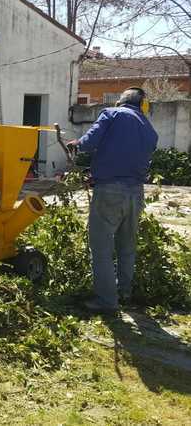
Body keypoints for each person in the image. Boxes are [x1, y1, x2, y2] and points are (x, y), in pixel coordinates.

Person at [67, 87, 158, 314]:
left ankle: (107, 302)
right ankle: (124, 293)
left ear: (121, 101)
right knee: (127, 245)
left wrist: (76, 143)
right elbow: (126, 156)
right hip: (136, 193)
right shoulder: (149, 129)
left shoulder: (111, 114)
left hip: (110, 192)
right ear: (142, 105)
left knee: (101, 246)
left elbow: (90, 141)